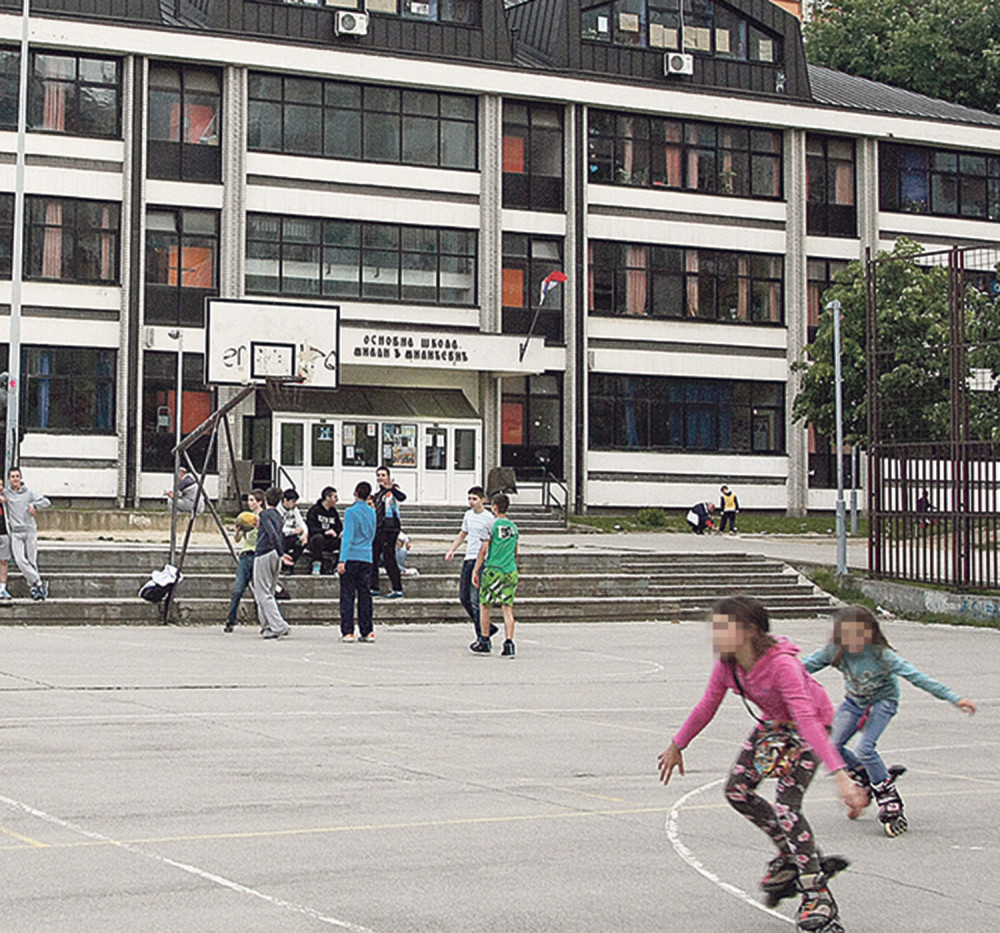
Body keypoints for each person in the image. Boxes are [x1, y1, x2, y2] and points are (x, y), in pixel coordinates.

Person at [658, 596, 866, 932]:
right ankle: (791, 854)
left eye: (723, 628)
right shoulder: (728, 665)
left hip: (809, 725)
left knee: (787, 808)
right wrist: (677, 744)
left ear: (750, 630)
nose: (716, 634)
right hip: (774, 725)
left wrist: (840, 776)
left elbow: (806, 718)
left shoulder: (781, 665)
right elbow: (706, 705)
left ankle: (817, 893)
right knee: (737, 792)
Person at [802, 605, 976, 837]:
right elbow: (799, 668)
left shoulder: (881, 655)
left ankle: (887, 795)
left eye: (859, 634)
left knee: (865, 748)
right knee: (831, 746)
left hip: (883, 703)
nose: (853, 641)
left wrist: (954, 698)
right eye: (847, 635)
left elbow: (917, 677)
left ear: (870, 633)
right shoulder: (834, 651)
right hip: (855, 702)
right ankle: (865, 775)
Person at [470, 493, 519, 658]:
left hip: (494, 569)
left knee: (485, 605)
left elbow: (483, 550)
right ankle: (509, 643)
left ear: (495, 508)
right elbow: (515, 551)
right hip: (510, 570)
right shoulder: (513, 527)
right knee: (507, 607)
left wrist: (476, 570)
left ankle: (484, 640)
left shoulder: (491, 525)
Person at [445, 486, 496, 637]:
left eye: (475, 499)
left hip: (481, 559)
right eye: (469, 499)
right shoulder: (468, 515)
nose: (471, 502)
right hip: (469, 557)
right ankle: (487, 626)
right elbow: (463, 534)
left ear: (483, 500)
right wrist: (452, 550)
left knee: (476, 599)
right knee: (464, 597)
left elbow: (491, 540)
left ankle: (482, 634)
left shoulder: (489, 518)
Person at [5, 467, 51, 601]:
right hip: (16, 532)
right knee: (20, 560)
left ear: (20, 478)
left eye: (17, 476)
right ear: (9, 479)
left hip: (29, 530)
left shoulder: (29, 493)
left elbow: (46, 502)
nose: (15, 479)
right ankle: (40, 582)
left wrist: (34, 505)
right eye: (12, 477)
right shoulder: (7, 494)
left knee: (32, 560)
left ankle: (34, 588)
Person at [338, 481, 376, 643]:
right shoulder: (372, 512)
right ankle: (367, 630)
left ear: (355, 493)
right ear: (369, 496)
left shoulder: (350, 512)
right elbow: (373, 534)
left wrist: (342, 559)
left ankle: (348, 631)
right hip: (366, 555)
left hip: (352, 555)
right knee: (365, 594)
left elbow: (348, 536)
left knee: (347, 594)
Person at [224, 489, 265, 633]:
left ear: (260, 502)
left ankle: (265, 621)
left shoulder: (263, 517)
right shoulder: (245, 518)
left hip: (258, 555)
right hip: (245, 555)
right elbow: (237, 539)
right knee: (238, 590)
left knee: (261, 592)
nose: (250, 503)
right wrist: (237, 530)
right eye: (249, 500)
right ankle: (231, 620)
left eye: (253, 500)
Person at [254, 486, 291, 639]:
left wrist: (280, 552)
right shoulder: (279, 515)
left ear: (264, 500)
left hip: (264, 552)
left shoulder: (265, 514)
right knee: (269, 591)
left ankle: (278, 625)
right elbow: (280, 534)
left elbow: (272, 533)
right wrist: (280, 552)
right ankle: (267, 625)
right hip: (276, 554)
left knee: (262, 592)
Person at [370, 466, 407, 599]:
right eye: (378, 475)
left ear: (389, 477)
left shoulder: (392, 492)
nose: (380, 478)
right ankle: (374, 587)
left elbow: (402, 497)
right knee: (373, 557)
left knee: (388, 558)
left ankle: (397, 588)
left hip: (390, 529)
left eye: (383, 475)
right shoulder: (378, 494)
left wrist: (391, 488)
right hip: (378, 528)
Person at [305, 486, 342, 575]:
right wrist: (324, 532)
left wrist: (339, 533)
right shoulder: (314, 510)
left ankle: (337, 566)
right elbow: (311, 527)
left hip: (330, 540)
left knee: (343, 541)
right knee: (318, 538)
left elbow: (338, 526)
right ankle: (316, 564)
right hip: (316, 539)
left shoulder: (333, 512)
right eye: (335, 497)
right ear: (327, 497)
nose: (337, 500)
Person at [279, 489, 308, 574]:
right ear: (285, 500)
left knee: (300, 542)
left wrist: (305, 534)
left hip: (293, 536)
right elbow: (279, 528)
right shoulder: (278, 510)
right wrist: (293, 531)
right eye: (293, 501)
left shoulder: (294, 510)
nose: (294, 504)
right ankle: (284, 565)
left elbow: (301, 522)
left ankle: (290, 564)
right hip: (282, 536)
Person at [0, 476, 12, 601]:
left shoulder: (6, 499)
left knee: (3, 561)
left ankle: (2, 587)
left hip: (3, 533)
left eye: (1, 485)